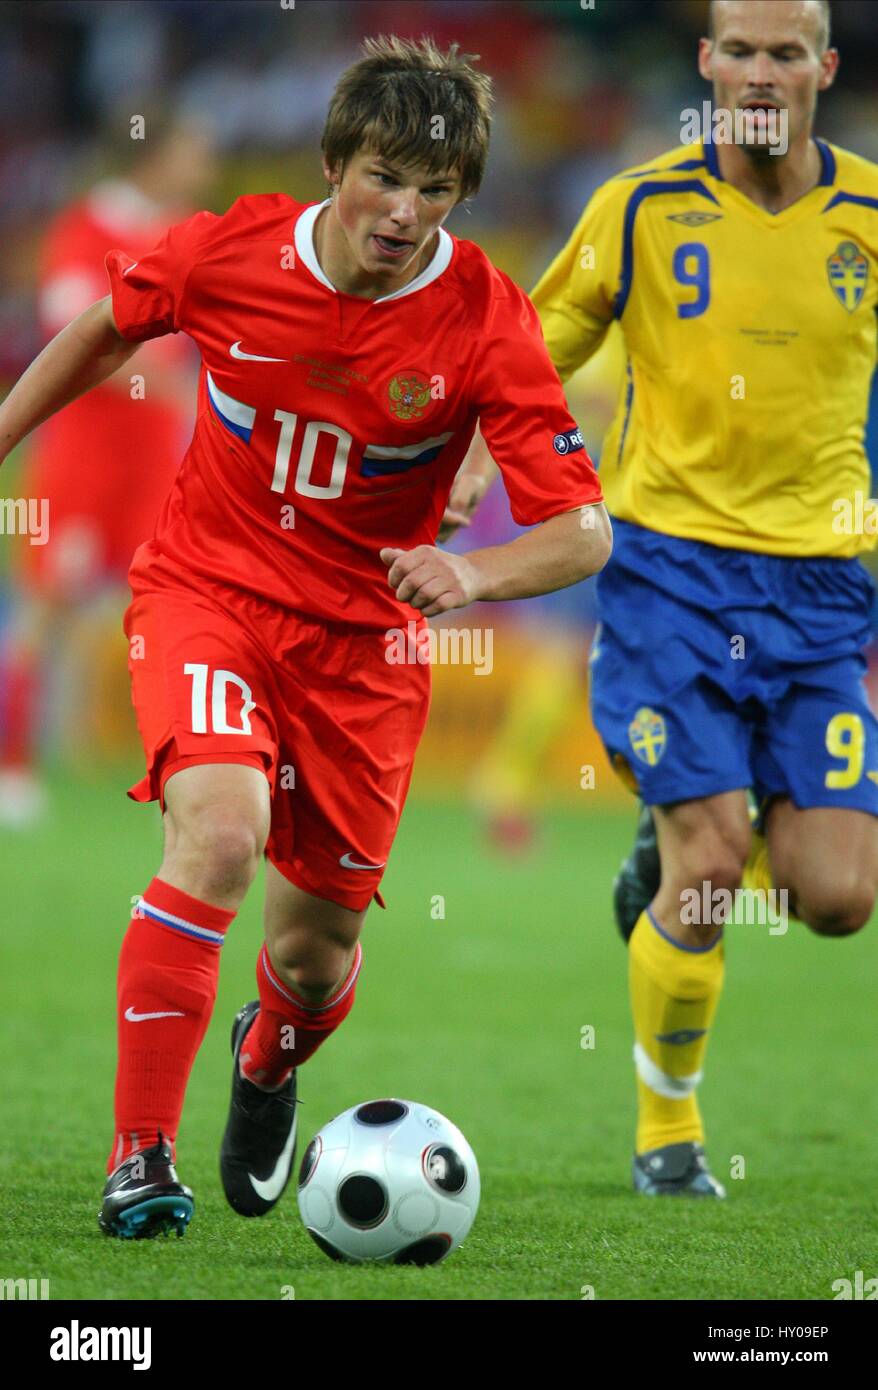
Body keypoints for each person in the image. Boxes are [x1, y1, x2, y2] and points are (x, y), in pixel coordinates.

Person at [0, 35, 611, 1239]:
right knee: (221, 838)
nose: (403, 211)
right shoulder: (231, 248)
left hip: (363, 650)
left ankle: (269, 1060)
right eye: (385, 177)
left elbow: (581, 534)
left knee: (317, 954)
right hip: (207, 594)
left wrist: (470, 567)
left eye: (434, 192)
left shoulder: (483, 319)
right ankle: (141, 1158)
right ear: (336, 159)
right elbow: (108, 327)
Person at [449, 0, 878, 1197]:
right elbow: (538, 335)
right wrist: (481, 452)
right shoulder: (638, 203)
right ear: (704, 63)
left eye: (783, 52)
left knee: (838, 899)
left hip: (819, 587)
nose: (757, 70)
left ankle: (673, 830)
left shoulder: (868, 215)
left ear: (821, 69)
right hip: (666, 572)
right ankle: (666, 1133)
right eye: (735, 49)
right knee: (708, 868)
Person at [0, 114, 215, 824]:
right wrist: (170, 385)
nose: (204, 161)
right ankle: (10, 767)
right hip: (84, 460)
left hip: (159, 463)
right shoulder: (86, 229)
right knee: (46, 608)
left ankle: (175, 768)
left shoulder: (191, 233)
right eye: (192, 148)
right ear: (155, 154)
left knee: (169, 608)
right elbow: (75, 331)